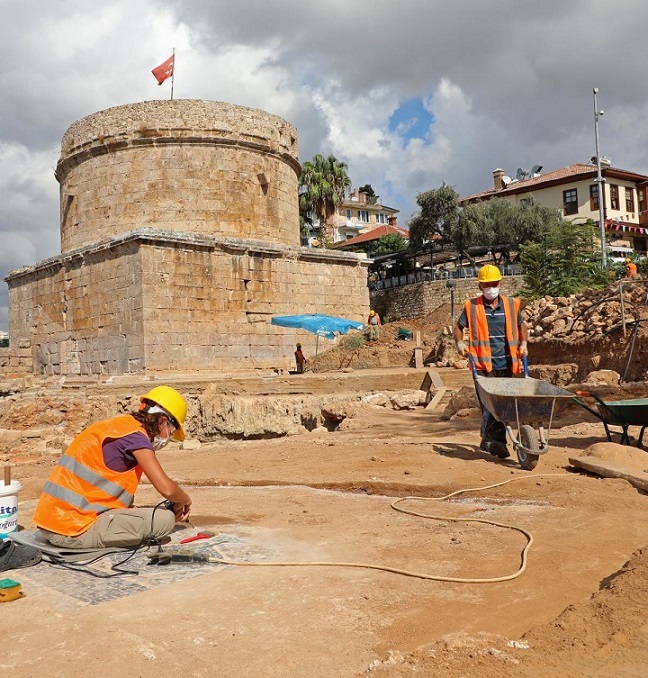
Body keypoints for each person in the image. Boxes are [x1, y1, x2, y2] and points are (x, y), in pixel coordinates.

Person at [33, 385, 192, 549]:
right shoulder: (137, 439)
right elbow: (166, 488)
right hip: (73, 530)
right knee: (165, 520)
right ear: (163, 421)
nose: (168, 438)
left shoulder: (120, 427)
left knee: (137, 512)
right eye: (171, 432)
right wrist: (185, 500)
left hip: (51, 523)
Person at [453, 264, 528, 459]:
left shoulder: (511, 305)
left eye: (494, 283)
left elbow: (521, 325)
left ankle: (488, 439)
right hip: (482, 365)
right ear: (480, 286)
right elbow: (459, 327)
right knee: (492, 404)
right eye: (487, 284)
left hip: (507, 363)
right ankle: (497, 442)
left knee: (501, 403)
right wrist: (460, 343)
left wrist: (524, 343)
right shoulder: (472, 307)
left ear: (499, 283)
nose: (491, 287)